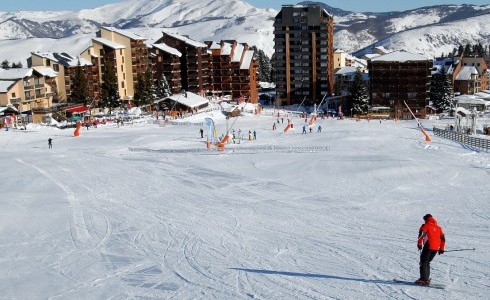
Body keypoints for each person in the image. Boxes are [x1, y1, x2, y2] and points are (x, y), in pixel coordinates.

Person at [416, 214, 445, 285]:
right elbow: (443, 239)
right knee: (427, 262)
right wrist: (441, 248)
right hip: (436, 248)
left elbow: (421, 235)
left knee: (423, 262)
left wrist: (419, 244)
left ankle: (424, 280)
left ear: (426, 219)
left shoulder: (425, 225)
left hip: (428, 246)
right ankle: (426, 278)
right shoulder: (439, 228)